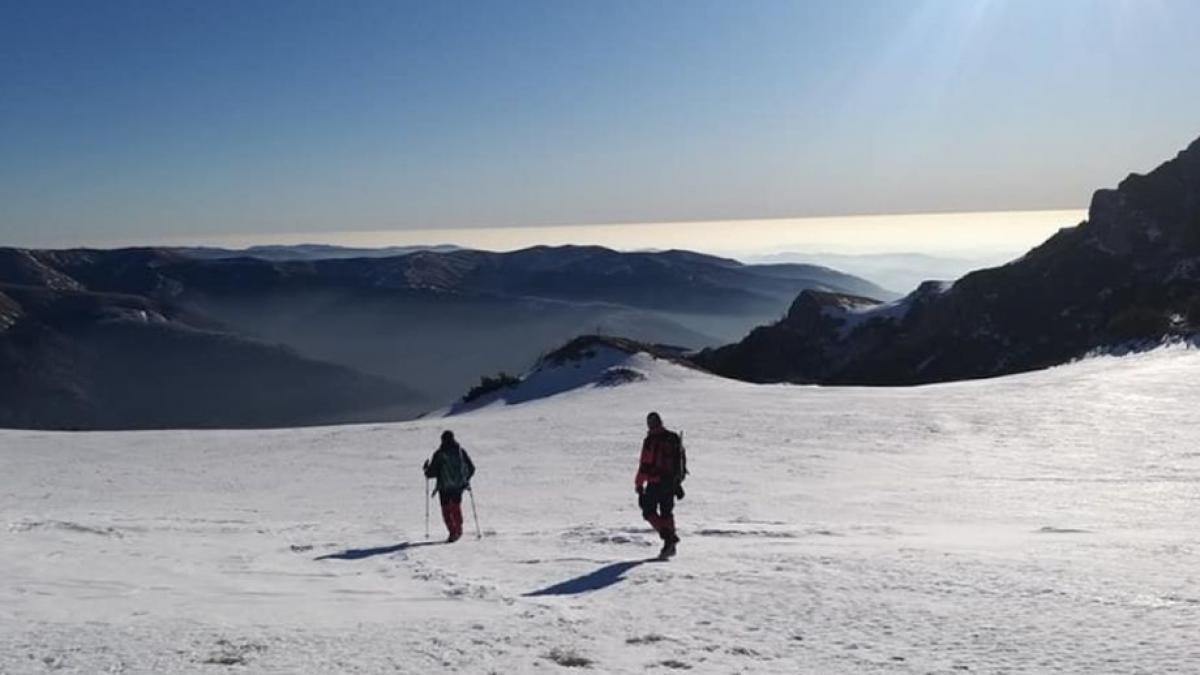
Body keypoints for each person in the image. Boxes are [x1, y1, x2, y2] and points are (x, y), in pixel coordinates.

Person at [635, 411, 687, 559]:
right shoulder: (673, 437)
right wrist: (677, 482)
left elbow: (645, 464)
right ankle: (670, 546)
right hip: (671, 483)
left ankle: (668, 538)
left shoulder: (651, 440)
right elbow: (680, 462)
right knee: (667, 512)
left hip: (655, 482)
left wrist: (639, 484)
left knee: (648, 510)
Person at [423, 430, 476, 543]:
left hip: (444, 486)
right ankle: (459, 529)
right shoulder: (460, 452)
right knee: (456, 507)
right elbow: (471, 468)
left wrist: (426, 470)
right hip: (458, 486)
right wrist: (465, 479)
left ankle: (453, 532)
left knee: (446, 510)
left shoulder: (439, 454)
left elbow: (432, 473)